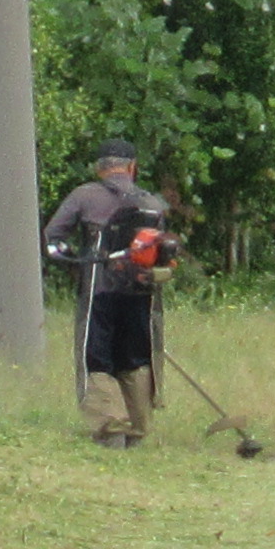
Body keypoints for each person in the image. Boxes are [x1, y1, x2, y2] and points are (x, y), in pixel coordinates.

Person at [42, 139, 181, 444]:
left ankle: (110, 424)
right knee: (135, 357)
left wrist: (73, 260)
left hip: (99, 291)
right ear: (132, 167)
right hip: (142, 294)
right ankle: (139, 424)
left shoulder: (84, 195)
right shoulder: (152, 203)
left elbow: (53, 237)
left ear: (99, 168)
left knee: (96, 356)